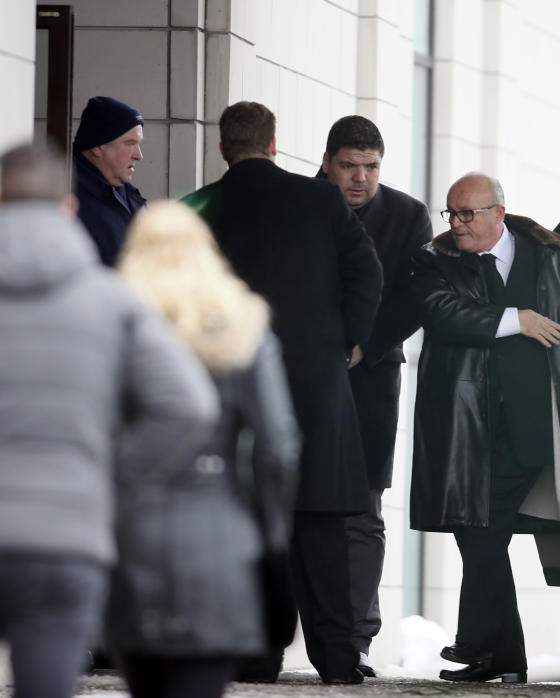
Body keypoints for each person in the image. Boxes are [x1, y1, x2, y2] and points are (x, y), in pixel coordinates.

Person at [0, 143, 218, 698]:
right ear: (69, 208)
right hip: (66, 537)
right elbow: (189, 404)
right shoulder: (111, 302)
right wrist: (112, 474)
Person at [182, 101, 383, 685]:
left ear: (223, 148)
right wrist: (342, 342)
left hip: (234, 393)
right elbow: (366, 273)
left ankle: (256, 656)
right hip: (316, 385)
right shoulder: (319, 198)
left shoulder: (203, 208)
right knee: (322, 528)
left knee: (247, 523)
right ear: (274, 144)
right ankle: (339, 659)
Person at [410, 172, 560, 684]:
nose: (457, 224)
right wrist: (514, 319)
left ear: (499, 212)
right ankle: (503, 658)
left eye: (468, 214)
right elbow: (440, 312)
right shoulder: (437, 261)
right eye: (451, 213)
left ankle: (480, 646)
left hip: (531, 428)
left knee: (482, 527)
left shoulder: (557, 260)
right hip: (463, 429)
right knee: (480, 534)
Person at [105, 200, 301, 698]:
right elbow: (277, 446)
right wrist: (269, 527)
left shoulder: (113, 322)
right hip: (219, 529)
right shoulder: (244, 326)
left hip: (130, 533)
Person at [317, 115, 433, 677]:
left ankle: (358, 637)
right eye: (349, 166)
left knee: (363, 508)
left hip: (372, 379)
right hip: (307, 377)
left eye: (371, 167)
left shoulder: (409, 216)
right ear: (327, 162)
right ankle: (308, 628)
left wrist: (365, 345)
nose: (360, 178)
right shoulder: (302, 203)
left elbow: (416, 297)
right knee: (299, 505)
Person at [72, 96, 147, 266]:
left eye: (138, 144)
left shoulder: (127, 193)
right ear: (98, 147)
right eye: (130, 144)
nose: (139, 155)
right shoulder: (68, 199)